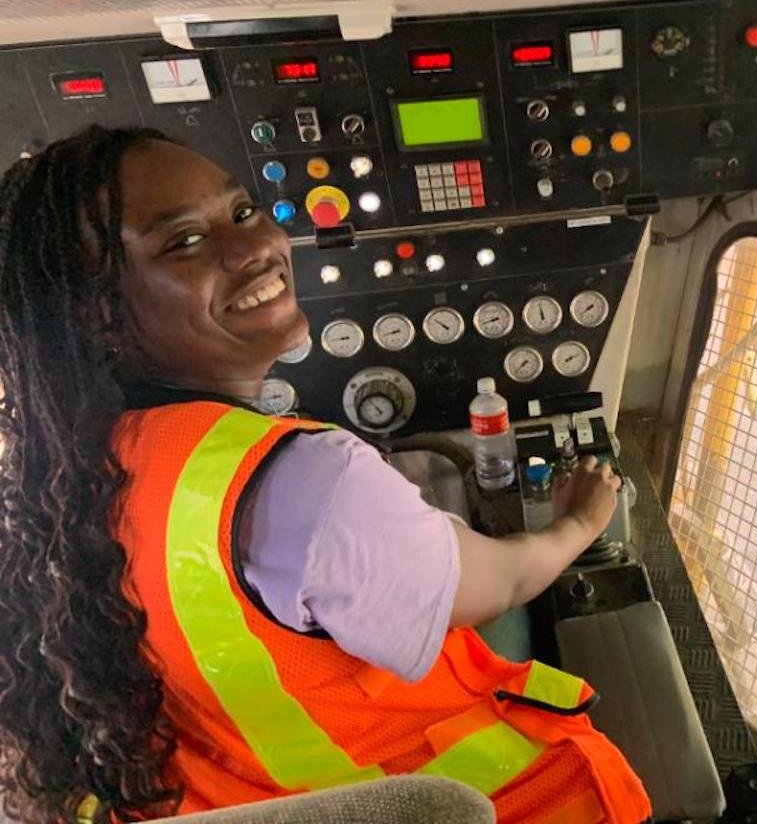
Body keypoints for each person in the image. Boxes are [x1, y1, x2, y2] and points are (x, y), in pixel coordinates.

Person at [0, 127, 651, 824]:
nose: (254, 249)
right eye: (183, 242)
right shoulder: (305, 483)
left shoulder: (60, 475)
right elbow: (504, 581)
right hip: (517, 801)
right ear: (95, 314)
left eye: (244, 212)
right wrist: (581, 519)